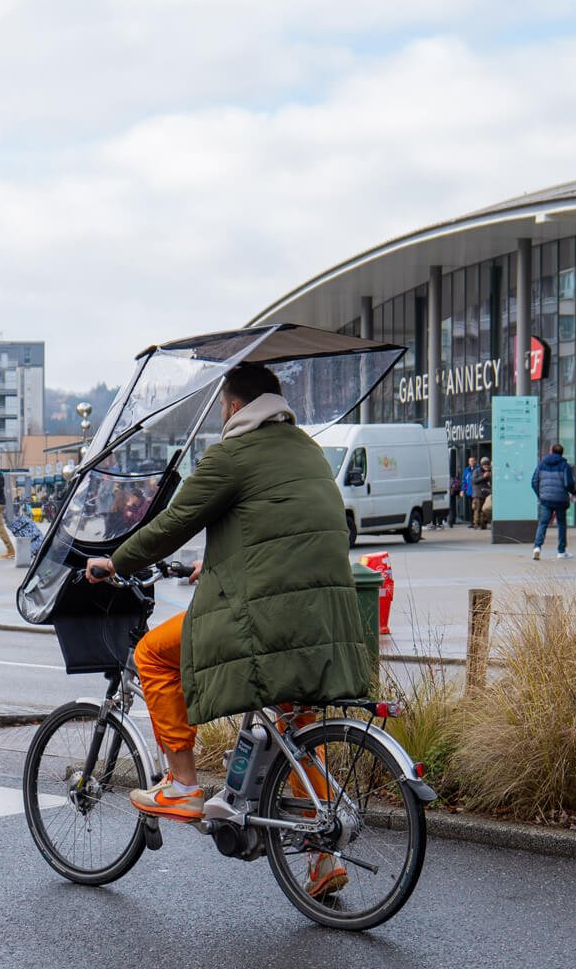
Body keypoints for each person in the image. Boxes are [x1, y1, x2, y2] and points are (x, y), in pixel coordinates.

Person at [82, 363, 371, 899]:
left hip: (265, 615)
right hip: (323, 616)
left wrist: (114, 562)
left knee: (152, 654)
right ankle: (322, 857)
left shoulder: (232, 454)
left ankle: (182, 784)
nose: (221, 416)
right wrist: (216, 561)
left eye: (221, 407)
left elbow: (172, 524)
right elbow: (277, 527)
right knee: (294, 720)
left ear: (235, 406)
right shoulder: (307, 451)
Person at [530, 443, 576, 560]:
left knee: (543, 523)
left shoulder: (541, 464)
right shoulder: (565, 465)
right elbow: (569, 483)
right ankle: (561, 551)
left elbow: (534, 481)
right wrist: (573, 493)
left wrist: (540, 495)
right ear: (562, 452)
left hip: (545, 499)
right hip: (561, 499)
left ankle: (537, 547)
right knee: (561, 524)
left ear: (551, 451)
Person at [473, 458, 493, 530]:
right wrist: (483, 477)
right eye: (484, 465)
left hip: (487, 494)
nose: (486, 466)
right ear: (482, 465)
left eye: (487, 465)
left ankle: (483, 525)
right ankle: (476, 524)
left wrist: (490, 477)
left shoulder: (490, 471)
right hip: (478, 494)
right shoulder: (477, 471)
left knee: (485, 510)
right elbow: (474, 480)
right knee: (478, 510)